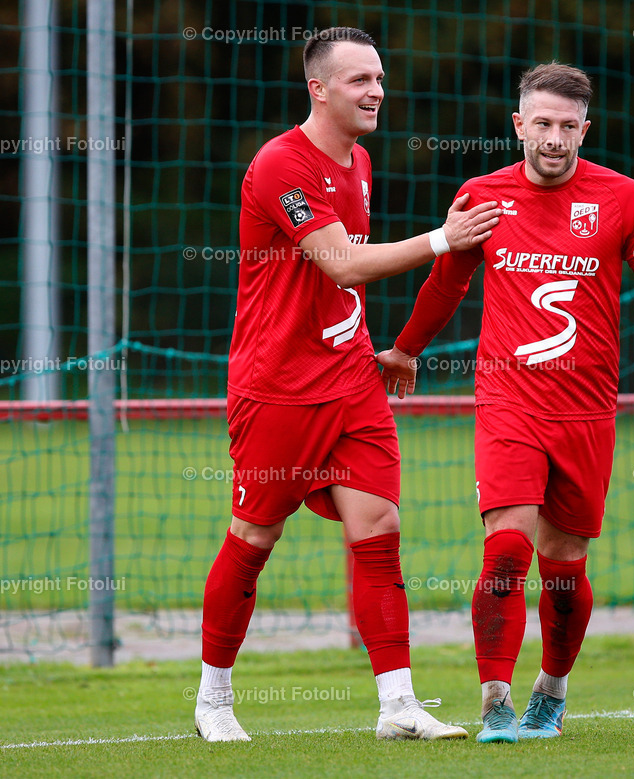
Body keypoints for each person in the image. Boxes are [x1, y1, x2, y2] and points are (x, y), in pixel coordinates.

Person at [194, 26, 500, 743]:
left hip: (354, 379)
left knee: (380, 528)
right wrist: (441, 240)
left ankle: (398, 705)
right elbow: (343, 266)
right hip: (277, 387)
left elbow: (345, 286)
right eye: (361, 80)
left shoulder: (360, 161)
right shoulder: (279, 164)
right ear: (319, 89)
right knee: (253, 537)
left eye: (381, 79)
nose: (377, 92)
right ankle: (213, 699)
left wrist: (389, 350)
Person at [377, 62, 634, 743]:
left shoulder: (625, 198)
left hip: (586, 410)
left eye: (567, 126)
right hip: (508, 402)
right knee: (507, 548)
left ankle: (551, 690)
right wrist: (405, 348)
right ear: (518, 124)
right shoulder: (483, 197)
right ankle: (495, 701)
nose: (553, 138)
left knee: (565, 566)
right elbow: (446, 284)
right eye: (541, 123)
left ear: (586, 128)